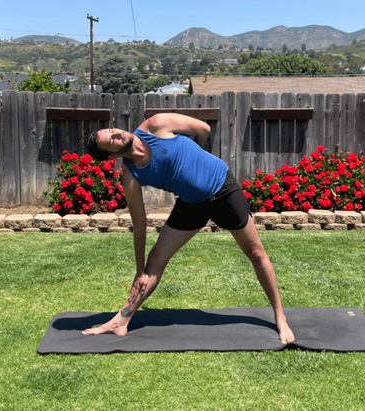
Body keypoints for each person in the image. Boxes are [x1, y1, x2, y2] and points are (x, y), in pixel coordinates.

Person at [82, 113, 295, 344]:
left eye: (112, 130)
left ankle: (280, 317)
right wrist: (139, 270)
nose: (117, 133)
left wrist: (198, 156)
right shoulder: (130, 176)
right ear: (111, 156)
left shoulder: (157, 124)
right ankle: (121, 321)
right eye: (111, 140)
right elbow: (140, 224)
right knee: (154, 262)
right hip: (192, 204)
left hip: (223, 189)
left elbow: (203, 129)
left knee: (255, 252)